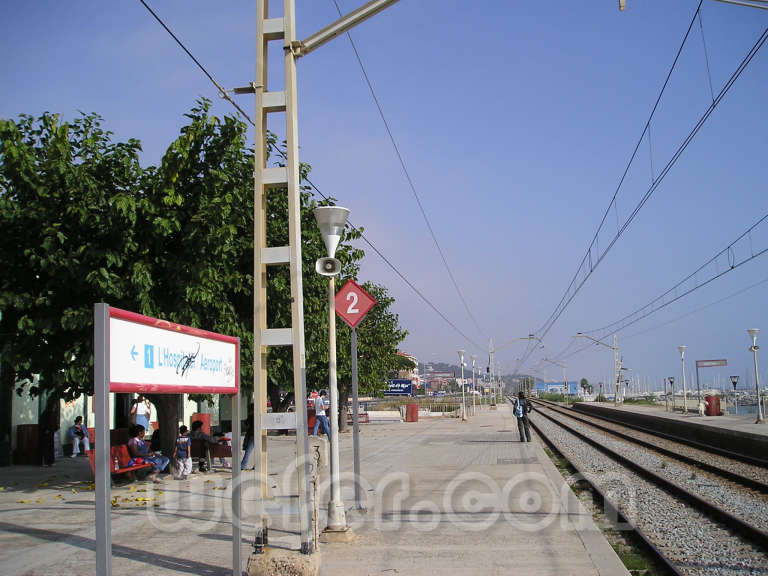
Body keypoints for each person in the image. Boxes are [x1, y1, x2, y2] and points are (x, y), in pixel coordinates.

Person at [240, 404, 254, 471]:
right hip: (259, 434)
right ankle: (258, 465)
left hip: (252, 435)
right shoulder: (258, 415)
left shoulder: (251, 416)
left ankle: (243, 466)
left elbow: (246, 423)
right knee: (260, 451)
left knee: (248, 451)